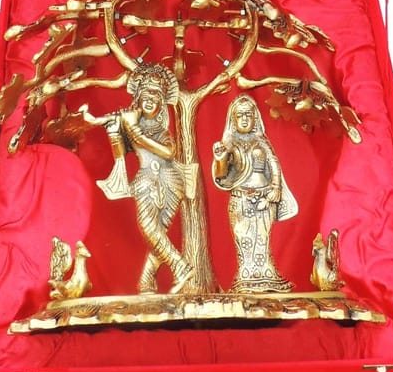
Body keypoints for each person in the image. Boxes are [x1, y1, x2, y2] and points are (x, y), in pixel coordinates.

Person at [84, 63, 194, 294]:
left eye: (155, 96)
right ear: (138, 98)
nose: (150, 100)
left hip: (170, 179)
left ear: (162, 103)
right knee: (150, 229)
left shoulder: (159, 130)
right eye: (146, 95)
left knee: (155, 231)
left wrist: (136, 131)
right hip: (145, 180)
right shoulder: (130, 122)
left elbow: (169, 152)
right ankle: (163, 273)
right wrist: (114, 129)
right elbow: (119, 152)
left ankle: (161, 275)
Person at [212, 94, 297, 292]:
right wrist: (220, 158)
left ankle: (267, 275)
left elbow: (273, 163)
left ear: (255, 118)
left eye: (248, 115)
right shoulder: (229, 144)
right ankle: (246, 275)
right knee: (243, 238)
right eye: (240, 115)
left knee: (262, 240)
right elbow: (222, 175)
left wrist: (276, 187)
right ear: (233, 120)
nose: (244, 119)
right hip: (240, 199)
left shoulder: (261, 142)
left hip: (264, 199)